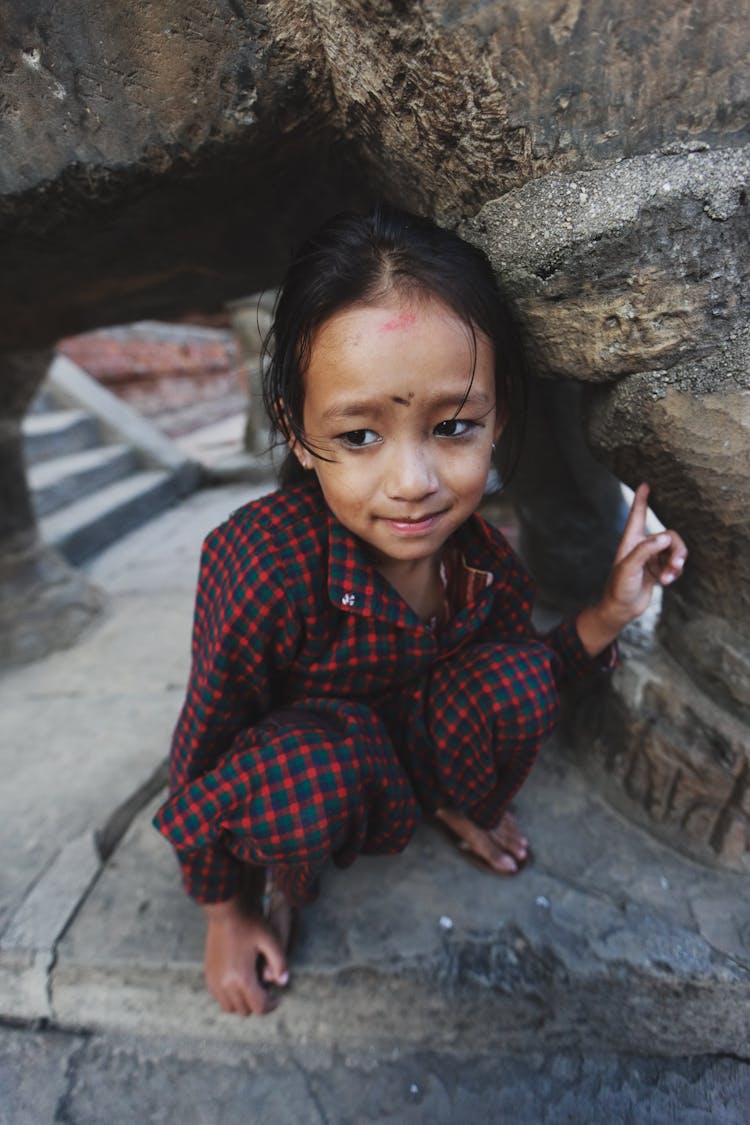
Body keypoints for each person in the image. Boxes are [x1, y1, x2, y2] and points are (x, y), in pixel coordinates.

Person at [153, 204, 687, 1017]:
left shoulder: (483, 563)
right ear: (296, 430)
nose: (414, 482)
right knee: (307, 779)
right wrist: (225, 910)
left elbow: (531, 671)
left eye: (453, 427)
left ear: (498, 419)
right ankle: (288, 878)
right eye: (361, 435)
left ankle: (454, 804)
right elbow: (204, 745)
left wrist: (613, 609)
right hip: (314, 763)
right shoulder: (262, 566)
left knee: (512, 683)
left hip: (408, 747)